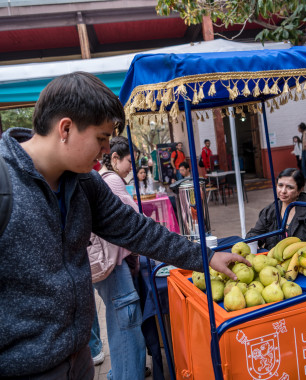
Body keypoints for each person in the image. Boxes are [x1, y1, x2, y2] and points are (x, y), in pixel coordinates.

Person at [0, 71, 249, 379]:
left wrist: (207, 257)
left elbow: (137, 230)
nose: (106, 150)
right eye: (101, 138)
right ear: (65, 128)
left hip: (78, 361)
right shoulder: (5, 183)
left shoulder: (84, 183)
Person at [88, 136, 147, 380]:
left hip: (107, 264)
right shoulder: (112, 181)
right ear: (114, 158)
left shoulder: (102, 179)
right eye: (128, 161)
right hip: (113, 265)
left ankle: (118, 373)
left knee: (119, 323)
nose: (131, 167)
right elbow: (135, 224)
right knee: (128, 327)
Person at [246, 168, 306, 254]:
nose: (283, 191)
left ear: (300, 190)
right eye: (280, 185)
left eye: (290, 187)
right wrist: (253, 241)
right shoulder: (270, 210)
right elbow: (256, 232)